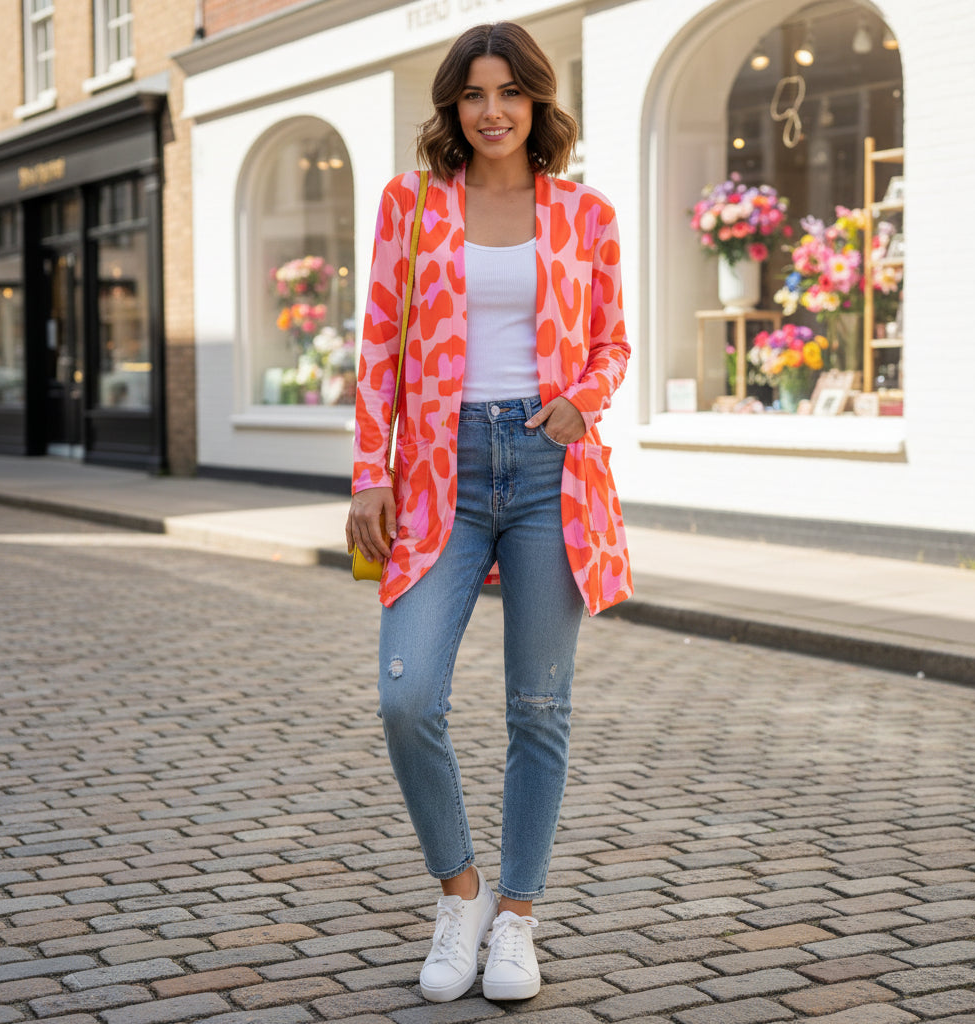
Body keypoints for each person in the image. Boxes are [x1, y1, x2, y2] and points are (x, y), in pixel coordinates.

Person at [345, 20, 632, 1004]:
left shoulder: (584, 215)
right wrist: (365, 476)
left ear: (536, 101)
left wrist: (579, 405)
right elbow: (379, 348)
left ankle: (515, 918)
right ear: (451, 107)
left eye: (509, 91)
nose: (492, 109)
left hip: (550, 469)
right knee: (405, 693)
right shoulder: (412, 205)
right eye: (473, 93)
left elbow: (612, 347)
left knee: (538, 711)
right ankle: (457, 892)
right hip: (439, 477)